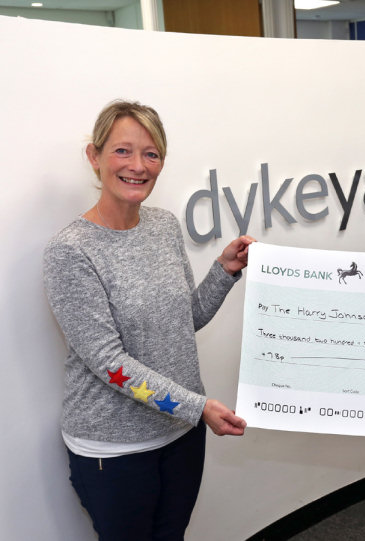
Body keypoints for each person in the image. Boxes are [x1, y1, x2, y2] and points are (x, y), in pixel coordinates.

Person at [43, 100, 254, 541]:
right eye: (122, 151)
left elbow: (184, 319)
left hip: (180, 434)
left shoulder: (164, 226)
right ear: (94, 156)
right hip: (115, 451)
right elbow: (111, 364)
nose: (138, 166)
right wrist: (197, 407)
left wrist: (224, 270)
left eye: (151, 154)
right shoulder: (70, 251)